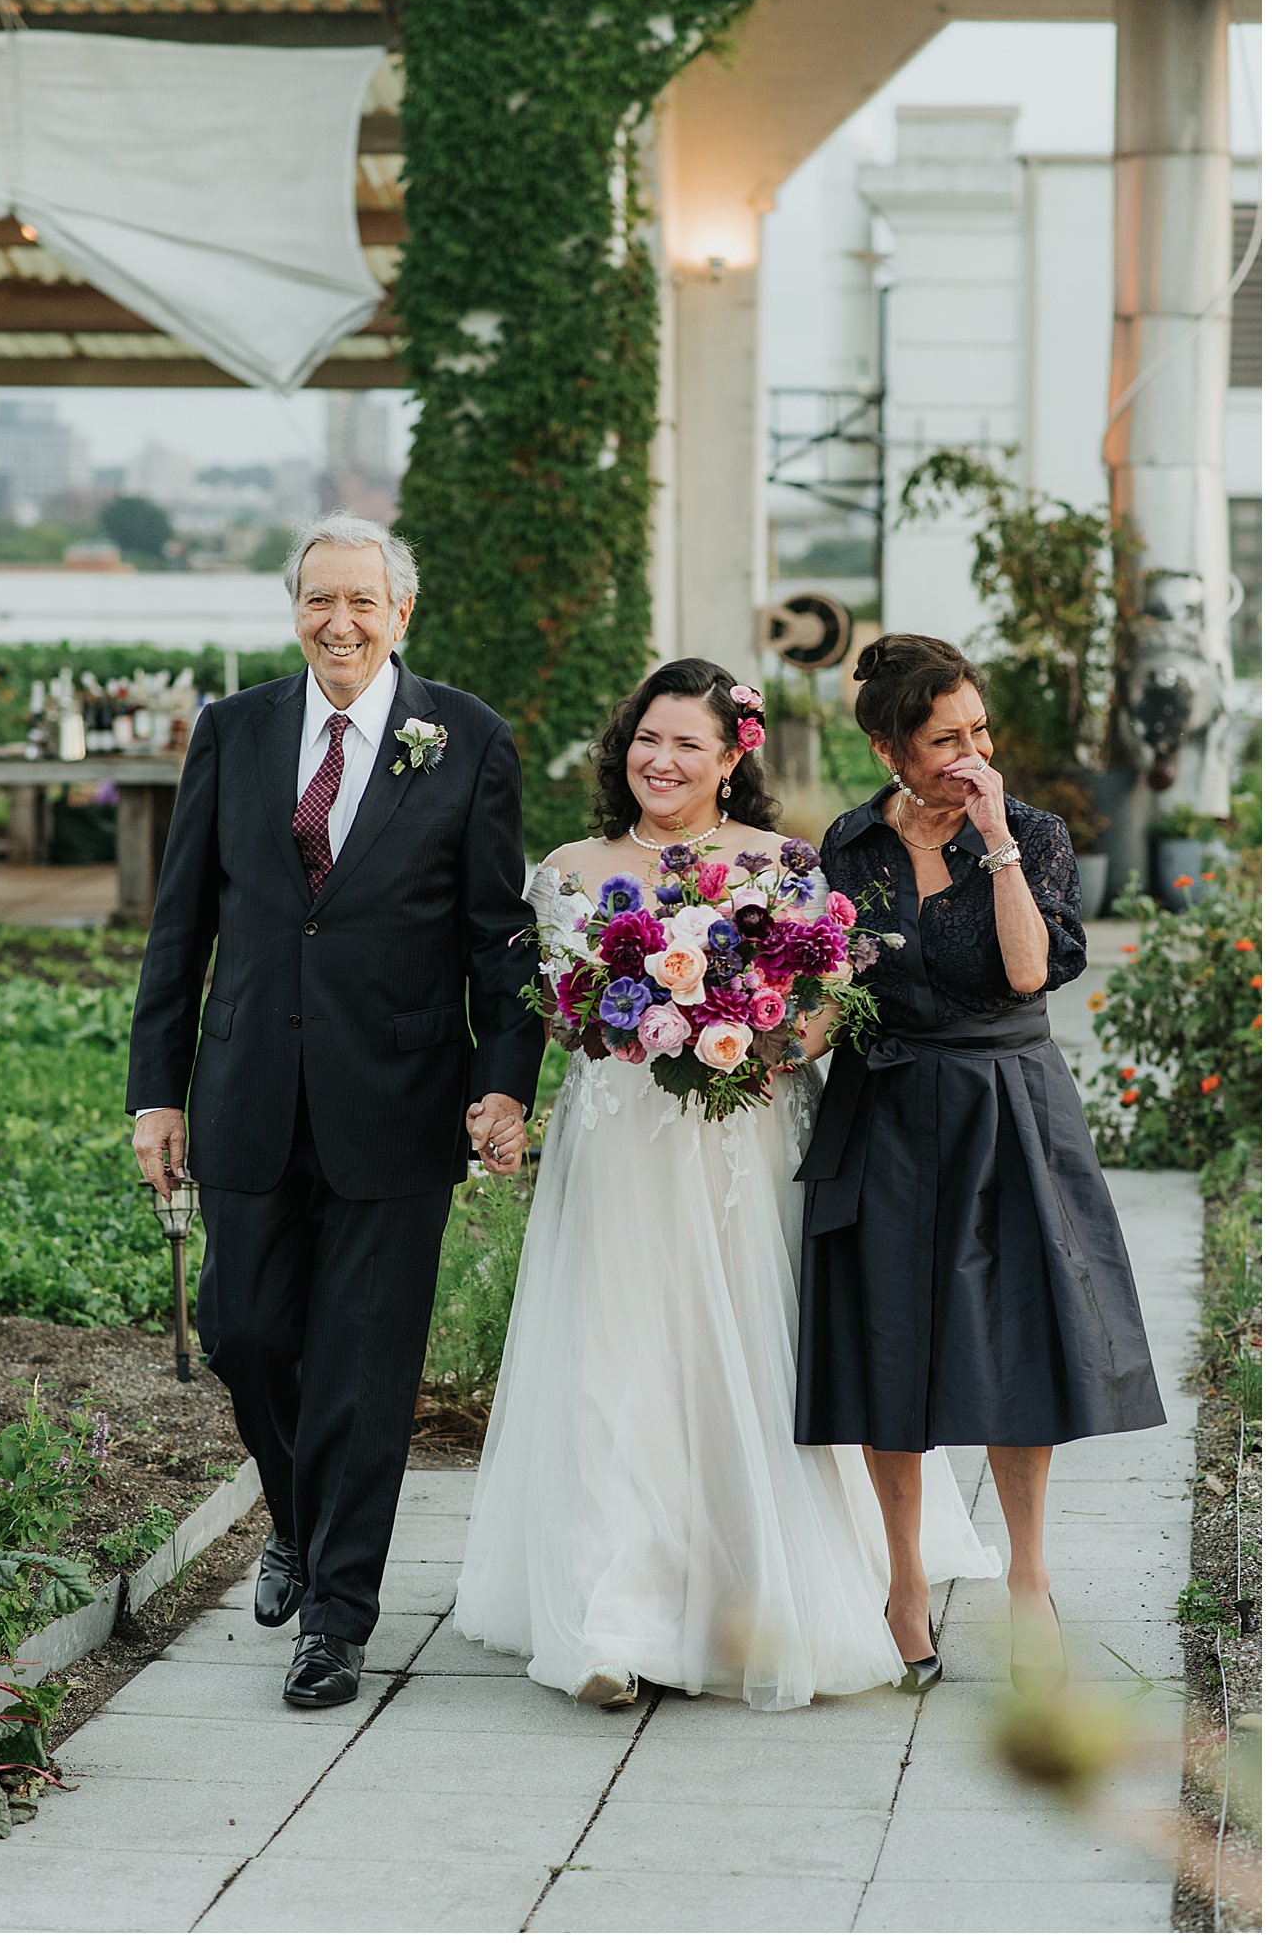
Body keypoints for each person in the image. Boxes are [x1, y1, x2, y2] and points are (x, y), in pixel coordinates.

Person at [454, 657, 998, 1712]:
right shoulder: (570, 867)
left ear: (730, 756)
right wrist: (514, 1086)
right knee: (614, 1361)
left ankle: (750, 1596)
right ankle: (612, 1616)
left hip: (743, 1143)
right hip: (616, 1150)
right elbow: (546, 1006)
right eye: (646, 739)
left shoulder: (780, 865)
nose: (660, 760)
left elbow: (828, 995)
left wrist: (783, 1025)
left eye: (687, 744)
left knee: (744, 1351)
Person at [127, 512, 542, 1710]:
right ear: (295, 607)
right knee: (243, 1331)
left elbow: (495, 936)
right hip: (249, 1086)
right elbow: (180, 925)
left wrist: (503, 1077)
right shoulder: (235, 729)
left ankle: (339, 1619)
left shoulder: (467, 739)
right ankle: (297, 1520)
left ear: (401, 613)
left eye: (363, 602)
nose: (340, 623)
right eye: (320, 600)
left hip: (399, 1102)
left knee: (364, 1365)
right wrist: (157, 1086)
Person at [795, 633, 1166, 1693]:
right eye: (944, 739)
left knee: (1017, 1338)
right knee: (887, 1344)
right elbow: (833, 989)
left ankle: (1029, 1577)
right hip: (884, 1110)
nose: (971, 754)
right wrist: (750, 1040)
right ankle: (903, 1581)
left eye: (980, 732)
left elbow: (1025, 968)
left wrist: (995, 837)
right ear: (889, 749)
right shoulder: (850, 843)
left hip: (1007, 1107)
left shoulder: (1035, 834)